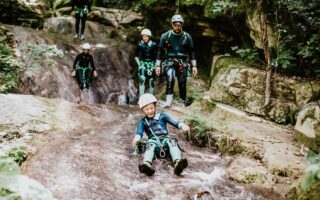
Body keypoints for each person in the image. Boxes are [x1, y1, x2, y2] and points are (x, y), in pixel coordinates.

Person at [132, 93, 190, 176]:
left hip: (165, 139)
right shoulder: (143, 121)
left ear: (155, 106)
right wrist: (136, 138)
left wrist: (182, 125)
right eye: (147, 109)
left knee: (172, 142)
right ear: (143, 110)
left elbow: (175, 123)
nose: (149, 111)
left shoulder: (163, 115)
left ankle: (178, 162)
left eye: (151, 108)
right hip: (153, 141)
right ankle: (146, 165)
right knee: (150, 145)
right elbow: (139, 132)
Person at [155, 14, 198, 107]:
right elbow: (159, 51)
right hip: (170, 61)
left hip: (183, 62)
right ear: (172, 24)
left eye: (179, 25)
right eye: (175, 25)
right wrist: (157, 65)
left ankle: (182, 101)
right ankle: (168, 101)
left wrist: (194, 65)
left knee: (182, 82)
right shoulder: (165, 36)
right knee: (170, 78)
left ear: (182, 25)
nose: (177, 27)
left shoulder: (187, 36)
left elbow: (191, 51)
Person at [134, 29, 158, 96]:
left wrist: (157, 64)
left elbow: (158, 55)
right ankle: (141, 97)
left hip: (152, 64)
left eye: (146, 36)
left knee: (151, 81)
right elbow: (135, 55)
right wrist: (139, 63)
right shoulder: (140, 44)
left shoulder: (154, 44)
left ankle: (151, 97)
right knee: (142, 79)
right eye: (143, 36)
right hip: (143, 63)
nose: (145, 38)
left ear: (149, 36)